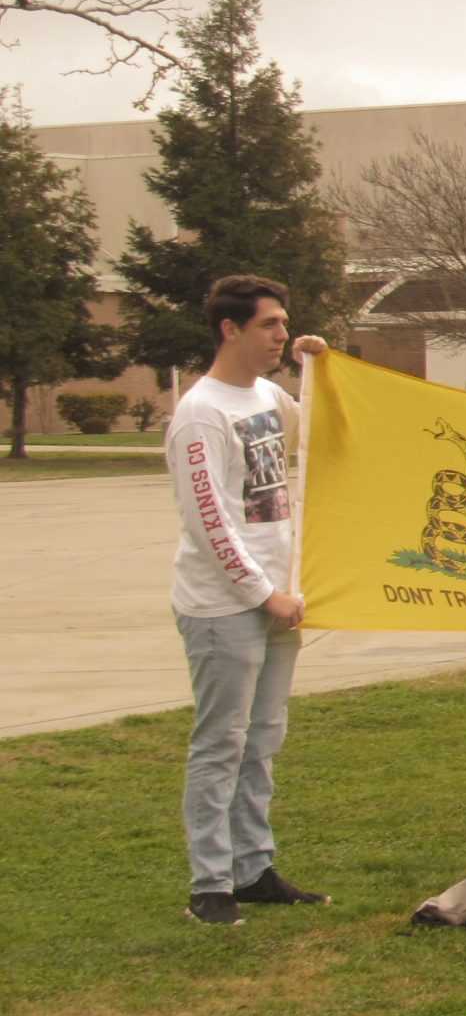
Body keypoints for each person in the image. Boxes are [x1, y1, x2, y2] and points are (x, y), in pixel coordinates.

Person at [167, 275, 333, 927]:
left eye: (285, 324)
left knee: (262, 739)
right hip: (224, 608)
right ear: (230, 329)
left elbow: (311, 432)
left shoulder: (266, 396)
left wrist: (316, 371)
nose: (280, 335)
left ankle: (253, 867)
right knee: (221, 744)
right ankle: (210, 885)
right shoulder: (201, 413)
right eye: (270, 326)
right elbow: (211, 520)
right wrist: (265, 595)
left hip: (277, 598)